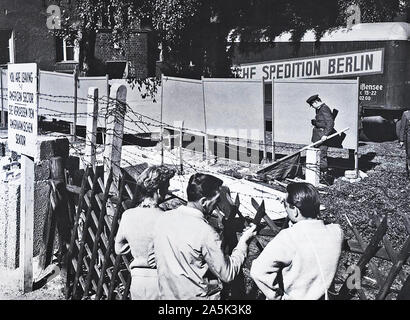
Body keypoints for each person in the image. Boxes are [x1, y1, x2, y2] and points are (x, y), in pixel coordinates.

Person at [153, 173, 257, 300]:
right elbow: (227, 273)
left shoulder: (164, 219)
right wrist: (244, 242)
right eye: (217, 200)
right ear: (203, 201)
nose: (217, 204)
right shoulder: (205, 232)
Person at [250, 182, 343, 300]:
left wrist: (279, 297)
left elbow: (258, 271)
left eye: (286, 205)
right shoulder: (336, 232)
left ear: (295, 210)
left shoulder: (288, 237)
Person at [114, 165, 176, 300]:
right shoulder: (166, 218)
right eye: (167, 187)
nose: (168, 191)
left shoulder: (128, 215)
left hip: (138, 280)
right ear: (159, 190)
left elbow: (118, 249)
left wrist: (137, 246)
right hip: (161, 280)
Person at [306, 94, 335, 181]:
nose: (313, 107)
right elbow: (322, 122)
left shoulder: (324, 108)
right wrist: (315, 123)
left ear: (316, 102)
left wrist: (326, 134)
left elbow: (330, 123)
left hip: (322, 137)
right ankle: (318, 175)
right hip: (317, 137)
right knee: (317, 156)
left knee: (321, 156)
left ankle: (324, 177)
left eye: (312, 105)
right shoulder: (319, 109)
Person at [398, 110, 410, 177]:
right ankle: (408, 172)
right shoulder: (406, 114)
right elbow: (402, 128)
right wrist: (401, 140)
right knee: (409, 155)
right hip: (409, 139)